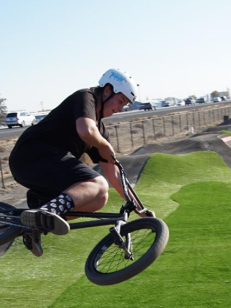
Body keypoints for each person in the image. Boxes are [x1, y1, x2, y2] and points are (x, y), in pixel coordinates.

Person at [9, 68, 151, 257]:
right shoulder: (86, 97)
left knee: (100, 198)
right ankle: (44, 212)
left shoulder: (98, 128)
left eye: (124, 105)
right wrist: (104, 144)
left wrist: (141, 209)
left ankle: (34, 224)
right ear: (107, 91)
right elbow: (85, 130)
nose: (120, 108)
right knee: (98, 183)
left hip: (44, 165)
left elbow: (115, 175)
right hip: (30, 155)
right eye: (120, 101)